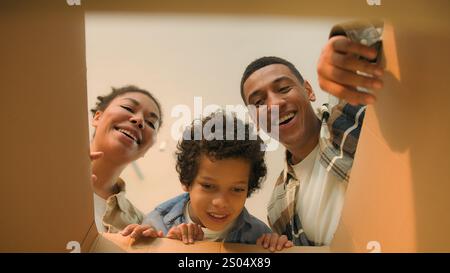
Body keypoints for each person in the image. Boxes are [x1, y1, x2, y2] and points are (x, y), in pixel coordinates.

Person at [239, 21, 385, 246]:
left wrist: (342, 39)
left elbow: (379, 38)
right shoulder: (277, 205)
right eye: (259, 102)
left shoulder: (349, 116)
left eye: (283, 88)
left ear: (308, 91)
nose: (274, 104)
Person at [122, 111, 293, 252]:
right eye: (208, 186)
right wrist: (165, 245)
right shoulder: (157, 224)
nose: (221, 202)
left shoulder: (259, 235)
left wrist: (274, 247)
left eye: (237, 189)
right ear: (187, 181)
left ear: (249, 188)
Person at [89, 85, 163, 233]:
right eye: (128, 108)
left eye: (150, 123)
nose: (139, 120)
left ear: (147, 149)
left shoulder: (140, 224)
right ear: (98, 117)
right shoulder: (45, 171)